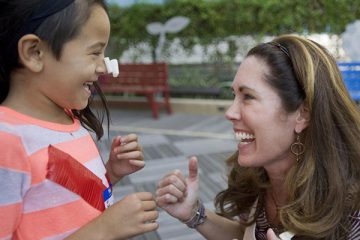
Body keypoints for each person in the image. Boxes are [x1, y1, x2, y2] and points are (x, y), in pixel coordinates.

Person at [155, 35, 360, 240]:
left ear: (303, 113)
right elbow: (249, 233)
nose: (230, 112)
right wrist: (193, 214)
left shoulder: (351, 212)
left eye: (248, 97)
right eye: (234, 95)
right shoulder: (255, 175)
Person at [0, 0, 158, 239]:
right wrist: (104, 229)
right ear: (34, 52)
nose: (103, 67)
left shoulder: (68, 117)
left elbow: (65, 200)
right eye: (95, 52)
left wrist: (110, 174)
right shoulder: (6, 141)